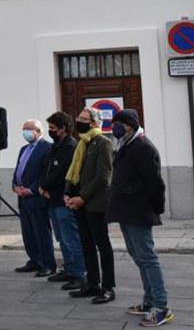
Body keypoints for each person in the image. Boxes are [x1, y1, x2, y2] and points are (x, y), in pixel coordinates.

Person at [106, 109, 174, 327]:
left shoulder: (143, 147)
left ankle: (161, 307)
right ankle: (149, 301)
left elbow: (156, 183)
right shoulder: (126, 145)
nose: (114, 128)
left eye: (118, 124)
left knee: (147, 258)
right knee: (138, 256)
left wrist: (156, 209)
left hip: (139, 210)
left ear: (129, 126)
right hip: (126, 210)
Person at [64, 106, 116, 304]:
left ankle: (108, 287)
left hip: (95, 203)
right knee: (86, 244)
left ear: (94, 123)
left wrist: (82, 197)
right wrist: (69, 193)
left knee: (102, 245)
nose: (79, 120)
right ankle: (92, 283)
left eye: (84, 118)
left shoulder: (103, 143)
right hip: (79, 203)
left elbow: (103, 177)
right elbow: (74, 171)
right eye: (78, 116)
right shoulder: (82, 143)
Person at [40, 112, 87, 290]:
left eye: (53, 128)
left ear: (63, 129)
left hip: (63, 199)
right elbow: (48, 168)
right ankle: (69, 268)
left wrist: (44, 185)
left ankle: (78, 273)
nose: (50, 131)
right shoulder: (56, 146)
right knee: (61, 238)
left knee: (71, 238)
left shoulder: (70, 147)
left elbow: (61, 173)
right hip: (52, 198)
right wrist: (42, 186)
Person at [13, 119, 55, 275]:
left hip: (36, 197)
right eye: (23, 129)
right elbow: (19, 169)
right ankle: (34, 260)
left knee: (41, 232)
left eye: (28, 129)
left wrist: (31, 190)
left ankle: (48, 263)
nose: (25, 132)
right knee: (28, 232)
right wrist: (15, 186)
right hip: (22, 198)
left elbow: (45, 173)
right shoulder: (24, 149)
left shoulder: (47, 148)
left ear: (38, 131)